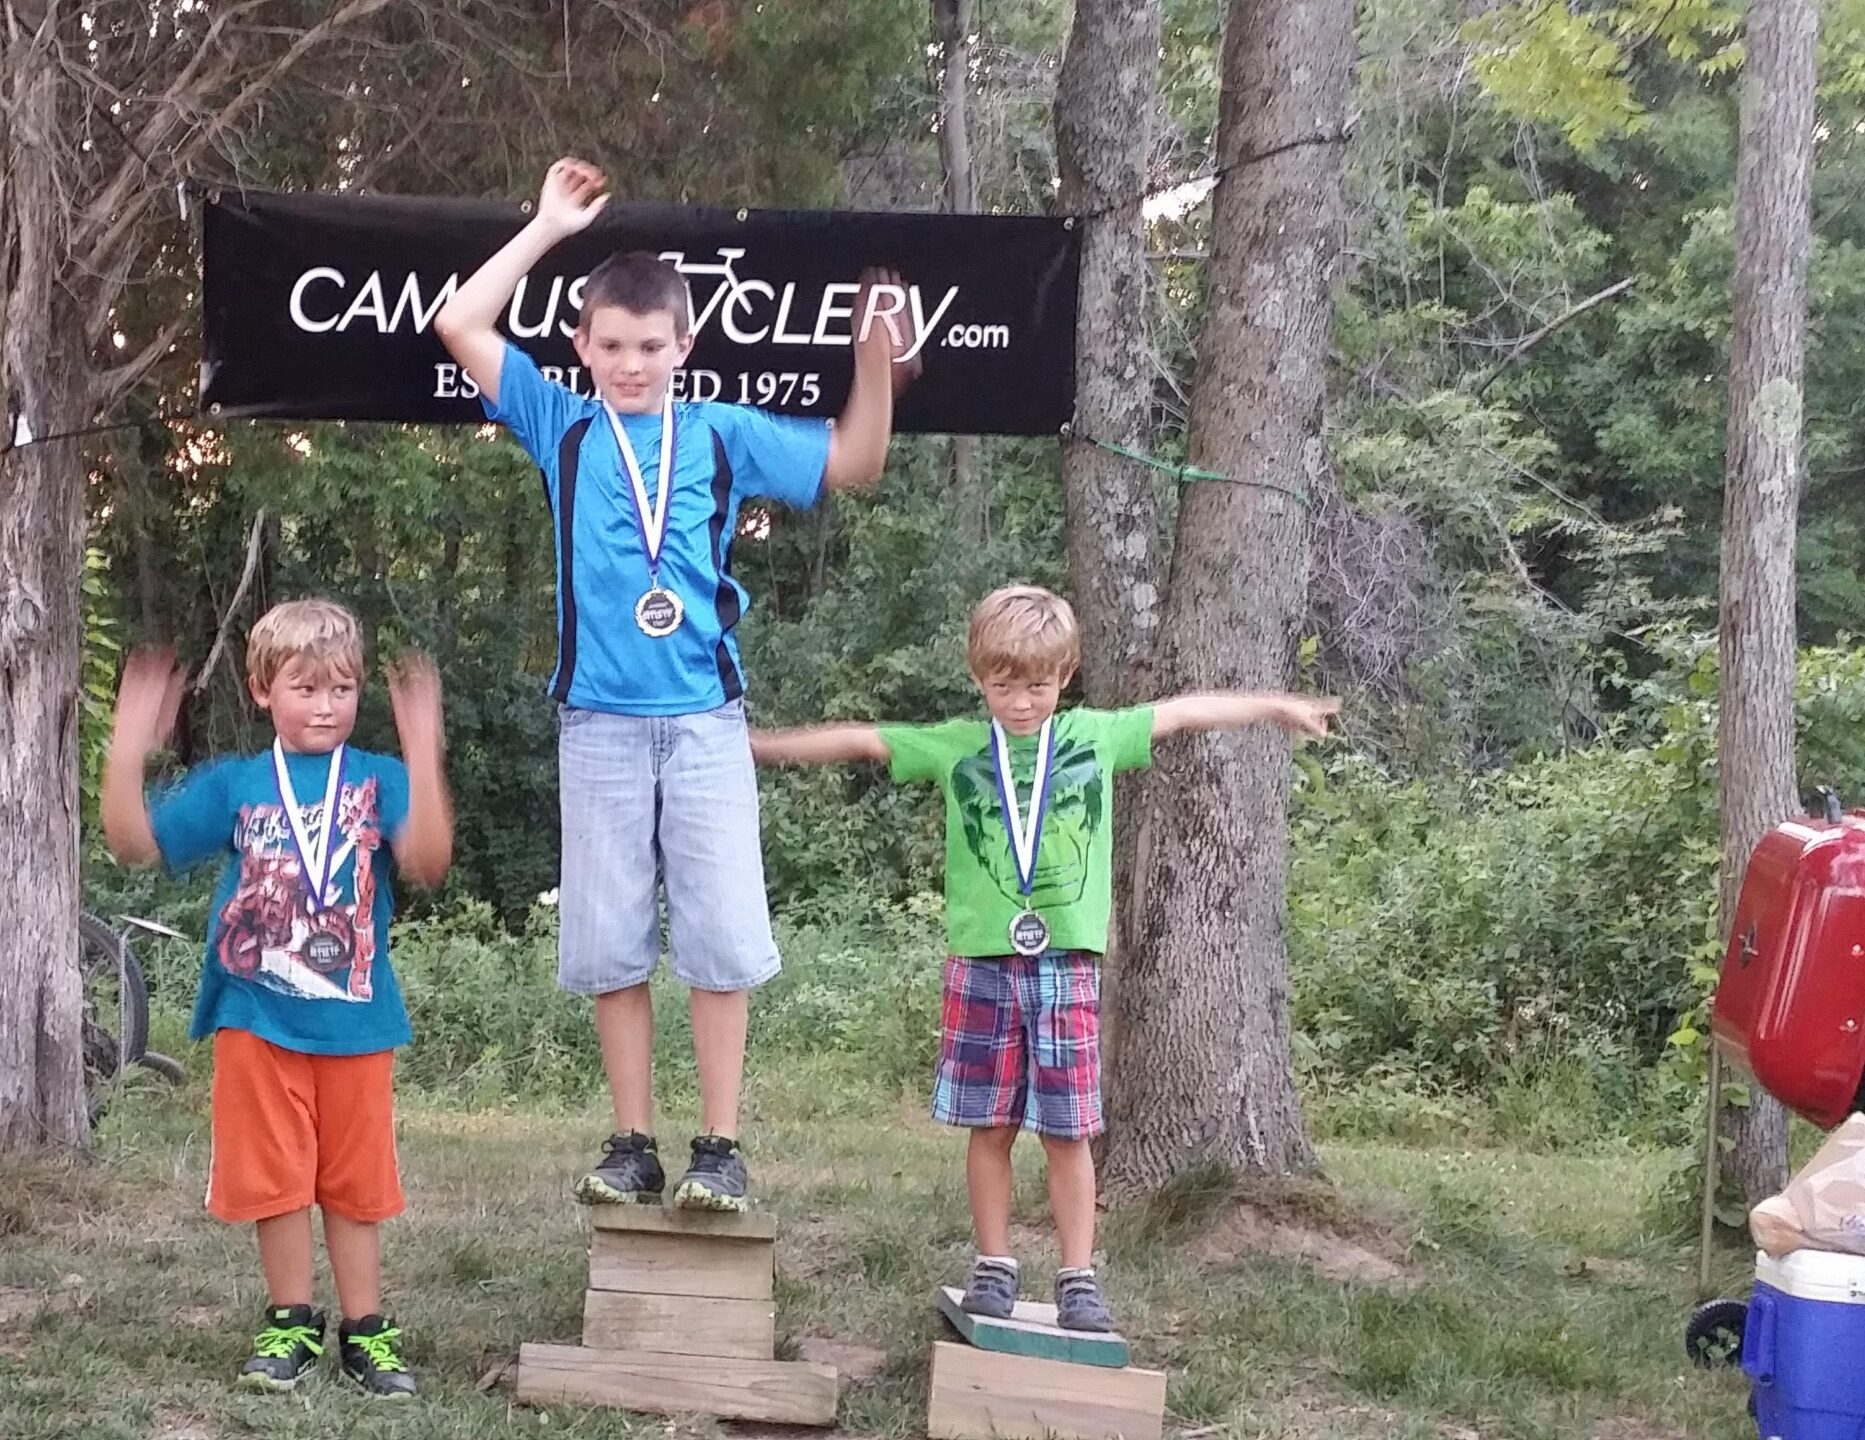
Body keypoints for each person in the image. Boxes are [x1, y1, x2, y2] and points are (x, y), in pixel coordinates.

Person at [432, 156, 912, 1211]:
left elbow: (859, 460)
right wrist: (547, 226)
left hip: (701, 722)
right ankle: (631, 1143)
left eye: (651, 347)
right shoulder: (560, 424)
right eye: (611, 346)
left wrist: (871, 364)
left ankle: (720, 1148)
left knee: (720, 937)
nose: (631, 364)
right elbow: (459, 321)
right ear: (582, 347)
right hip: (597, 723)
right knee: (609, 946)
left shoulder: (721, 433)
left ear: (684, 346)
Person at [748, 584, 1336, 1332]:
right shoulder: (959, 744)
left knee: (1067, 1129)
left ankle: (1078, 1277)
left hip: (1068, 967)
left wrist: (1277, 708)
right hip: (983, 965)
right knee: (988, 1125)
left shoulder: (1097, 735)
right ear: (977, 676)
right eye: (1003, 685)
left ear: (1066, 675)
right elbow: (865, 739)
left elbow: (1186, 712)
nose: (1021, 703)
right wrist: (758, 746)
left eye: (1037, 685)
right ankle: (993, 1263)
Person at [100, 600, 451, 1397]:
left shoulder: (379, 779)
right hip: (254, 1018)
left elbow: (427, 860)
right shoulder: (237, 784)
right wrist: (127, 751)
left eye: (343, 689)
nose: (326, 705)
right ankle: (291, 1321)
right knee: (277, 1178)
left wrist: (423, 752)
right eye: (305, 687)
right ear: (264, 690)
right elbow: (134, 844)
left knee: (356, 1184)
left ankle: (368, 1332)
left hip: (356, 1021)